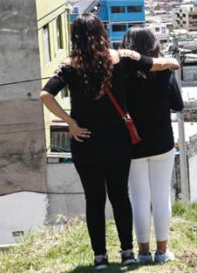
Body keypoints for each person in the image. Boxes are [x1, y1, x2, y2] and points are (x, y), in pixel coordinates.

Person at [39, 14, 179, 270]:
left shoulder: (69, 66)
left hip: (86, 142)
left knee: (94, 201)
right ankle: (127, 252)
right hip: (117, 141)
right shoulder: (121, 57)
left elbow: (45, 95)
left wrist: (70, 122)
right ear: (102, 33)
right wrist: (171, 61)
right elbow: (153, 64)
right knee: (120, 197)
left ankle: (100, 258)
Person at [121, 27, 183, 264]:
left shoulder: (121, 74)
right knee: (160, 196)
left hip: (132, 144)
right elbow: (178, 105)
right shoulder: (164, 71)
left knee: (138, 197)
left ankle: (143, 252)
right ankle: (162, 251)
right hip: (162, 141)